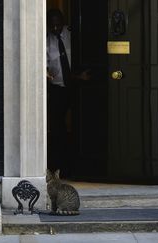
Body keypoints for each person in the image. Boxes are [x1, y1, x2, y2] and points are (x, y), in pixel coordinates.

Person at [46, 9, 89, 173]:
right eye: (52, 25)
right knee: (57, 127)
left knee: (82, 124)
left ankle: (81, 163)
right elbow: (45, 63)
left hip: (79, 86)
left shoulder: (73, 35)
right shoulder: (46, 41)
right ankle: (61, 163)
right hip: (58, 88)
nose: (56, 28)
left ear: (63, 22)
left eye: (58, 24)